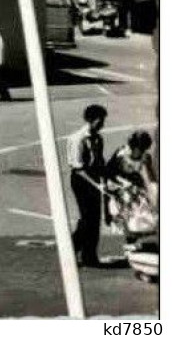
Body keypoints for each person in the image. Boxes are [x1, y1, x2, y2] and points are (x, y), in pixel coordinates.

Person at [66, 103, 109, 267]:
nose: (102, 124)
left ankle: (90, 255)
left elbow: (99, 162)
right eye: (100, 120)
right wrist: (96, 185)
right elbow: (78, 168)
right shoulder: (78, 139)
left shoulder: (98, 138)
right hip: (82, 180)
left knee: (95, 218)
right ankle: (70, 250)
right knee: (86, 218)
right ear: (91, 120)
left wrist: (103, 181)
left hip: (94, 179)